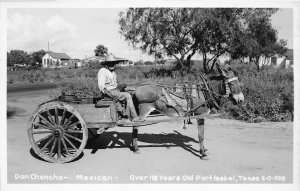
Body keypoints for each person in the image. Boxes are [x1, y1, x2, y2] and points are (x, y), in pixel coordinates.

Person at [97, 54, 143, 122]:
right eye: (109, 63)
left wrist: (120, 87)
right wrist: (110, 95)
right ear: (106, 64)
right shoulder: (102, 71)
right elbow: (102, 87)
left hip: (115, 91)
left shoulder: (113, 73)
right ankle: (134, 117)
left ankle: (132, 112)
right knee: (127, 95)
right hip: (109, 93)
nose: (111, 65)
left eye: (113, 63)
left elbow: (114, 85)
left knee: (132, 90)